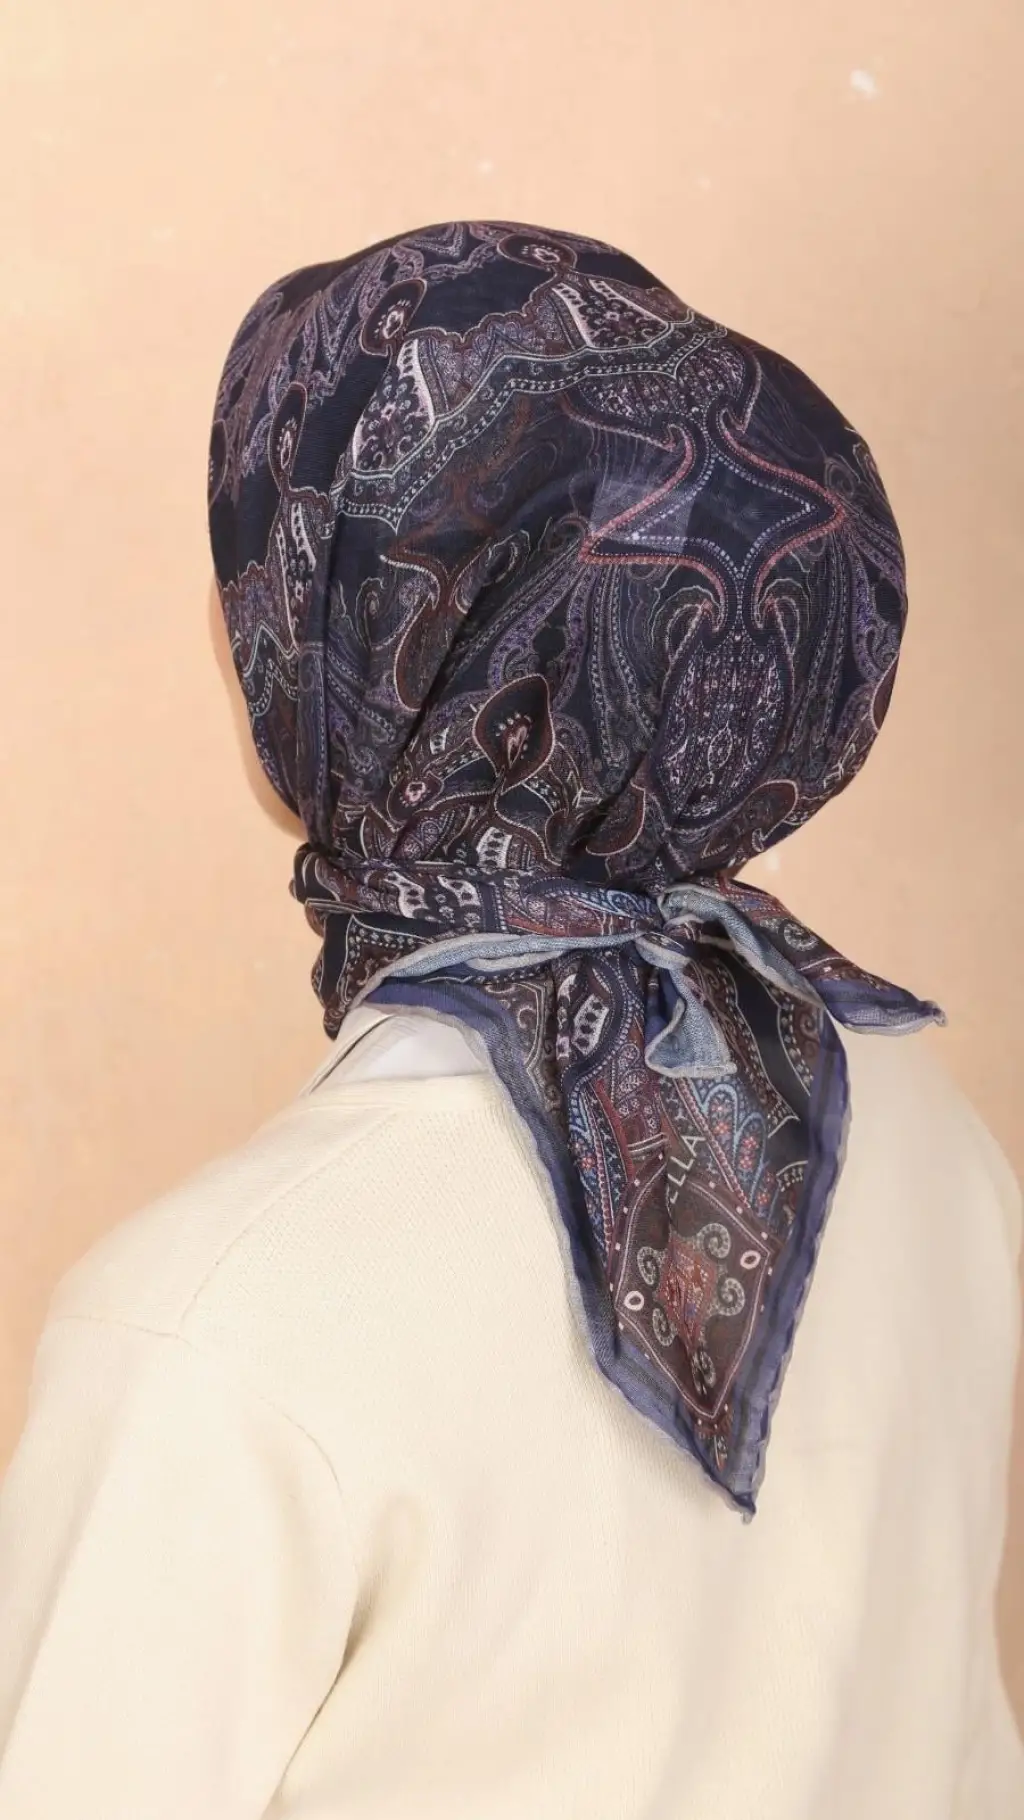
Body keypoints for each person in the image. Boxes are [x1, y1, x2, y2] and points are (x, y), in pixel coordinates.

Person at [0, 218, 1021, 1819]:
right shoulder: (934, 1153)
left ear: (382, 630)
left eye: (275, 546)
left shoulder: (209, 1326)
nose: (226, 610)